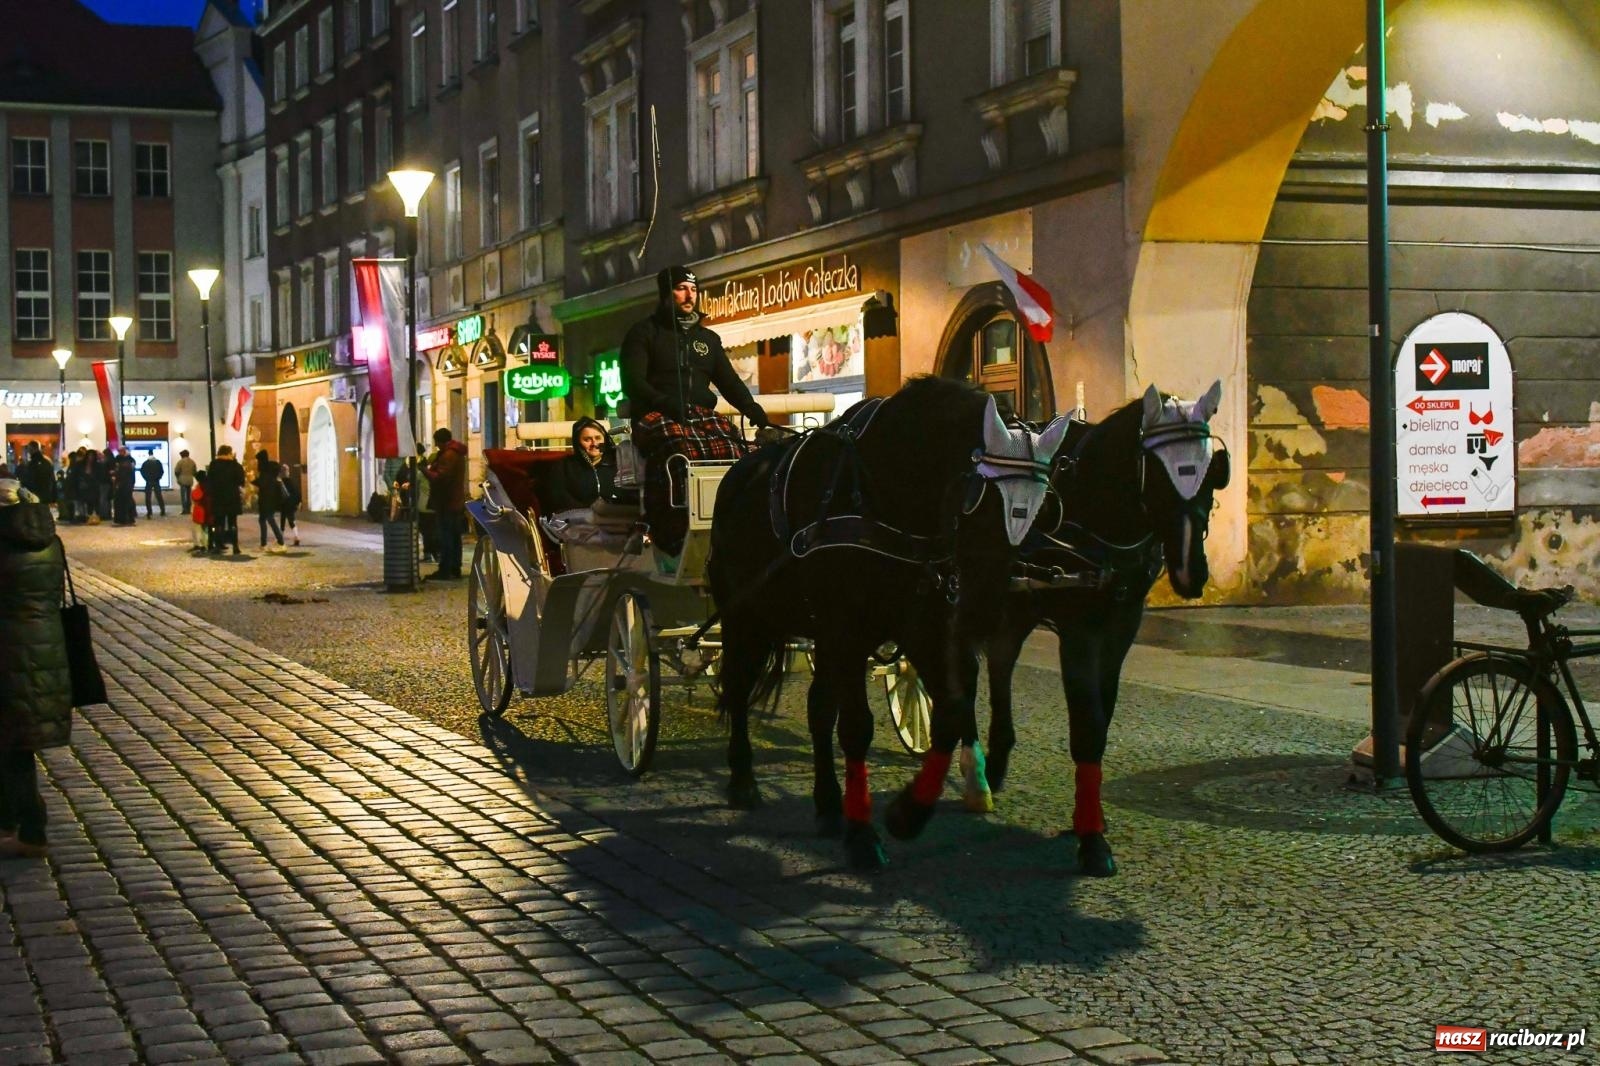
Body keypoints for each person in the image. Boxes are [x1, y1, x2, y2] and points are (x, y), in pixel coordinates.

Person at [618, 264, 769, 557]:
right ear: (666, 294)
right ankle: (673, 529)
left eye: (693, 289)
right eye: (681, 289)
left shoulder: (708, 339)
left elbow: (729, 382)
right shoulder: (644, 333)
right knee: (682, 449)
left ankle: (731, 523)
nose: (689, 296)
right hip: (656, 414)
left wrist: (751, 407)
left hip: (699, 414)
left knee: (736, 448)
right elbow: (633, 382)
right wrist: (664, 401)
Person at [0, 476, 71, 860]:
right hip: (44, 645)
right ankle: (10, 821)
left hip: (8, 648)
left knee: (13, 745)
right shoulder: (49, 540)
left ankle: (30, 828)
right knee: (15, 740)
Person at [422, 427, 467, 580]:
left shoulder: (449, 455)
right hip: (454, 500)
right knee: (454, 536)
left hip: (447, 501)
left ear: (441, 441)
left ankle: (446, 569)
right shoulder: (455, 453)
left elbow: (440, 477)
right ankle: (454, 567)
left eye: (437, 442)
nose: (436, 446)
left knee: (446, 536)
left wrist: (425, 471)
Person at [205, 445, 245, 555]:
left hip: (218, 497)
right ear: (229, 453)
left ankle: (218, 545)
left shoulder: (214, 464)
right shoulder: (235, 465)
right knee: (233, 523)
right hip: (232, 497)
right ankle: (235, 546)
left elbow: (209, 481)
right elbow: (241, 480)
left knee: (218, 522)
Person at [252, 450, 286, 552]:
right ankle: (263, 544)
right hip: (269, 498)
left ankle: (281, 542)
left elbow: (263, 483)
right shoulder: (270, 469)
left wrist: (254, 480)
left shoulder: (265, 470)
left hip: (267, 498)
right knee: (263, 519)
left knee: (270, 519)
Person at [17, 443, 55, 507]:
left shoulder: (32, 463)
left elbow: (29, 479)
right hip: (46, 496)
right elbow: (52, 480)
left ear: (33, 449)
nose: (28, 451)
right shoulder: (47, 462)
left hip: (35, 496)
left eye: (29, 449)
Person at [277, 463, 302, 546]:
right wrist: (298, 502)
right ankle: (296, 536)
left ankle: (281, 539)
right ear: (288, 472)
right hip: (291, 504)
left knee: (283, 520)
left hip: (283, 504)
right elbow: (297, 493)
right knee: (292, 521)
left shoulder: (280, 482)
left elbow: (277, 494)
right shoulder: (292, 481)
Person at [111, 450, 137, 526]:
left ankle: (123, 519)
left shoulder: (123, 465)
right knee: (126, 503)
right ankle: (128, 519)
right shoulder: (129, 464)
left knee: (122, 503)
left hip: (123, 486)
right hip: (126, 486)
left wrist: (117, 482)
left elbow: (120, 476)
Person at [189, 469, 210, 552]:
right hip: (207, 509)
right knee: (205, 528)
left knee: (197, 528)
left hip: (199, 509)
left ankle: (200, 545)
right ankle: (205, 544)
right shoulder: (208, 485)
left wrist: (193, 492)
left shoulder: (200, 486)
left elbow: (196, 496)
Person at [139, 453, 166, 518]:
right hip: (156, 481)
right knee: (159, 496)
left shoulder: (145, 463)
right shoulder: (158, 462)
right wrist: (159, 477)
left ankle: (149, 511)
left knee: (148, 497)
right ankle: (162, 510)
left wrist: (146, 478)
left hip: (148, 481)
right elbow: (162, 471)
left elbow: (142, 471)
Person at [173, 449, 198, 514]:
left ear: (182, 455)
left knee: (183, 496)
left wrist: (178, 478)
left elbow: (176, 471)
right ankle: (189, 510)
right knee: (189, 496)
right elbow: (195, 472)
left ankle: (184, 510)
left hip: (182, 480)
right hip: (190, 480)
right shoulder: (192, 461)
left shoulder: (180, 462)